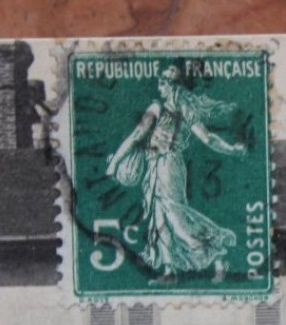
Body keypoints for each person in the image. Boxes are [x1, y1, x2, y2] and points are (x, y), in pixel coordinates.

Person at [105, 64, 246, 282]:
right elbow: (208, 138)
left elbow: (137, 135)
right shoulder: (183, 108)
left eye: (162, 82)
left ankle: (217, 254)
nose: (159, 86)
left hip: (167, 164)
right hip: (158, 164)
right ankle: (169, 270)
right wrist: (233, 150)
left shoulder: (159, 107)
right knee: (159, 216)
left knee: (175, 215)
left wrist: (114, 163)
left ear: (171, 85)